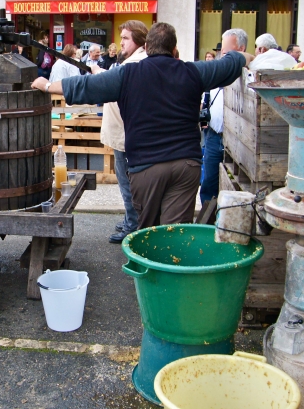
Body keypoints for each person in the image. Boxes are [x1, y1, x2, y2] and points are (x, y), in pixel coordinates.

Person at [31, 23, 253, 227]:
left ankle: (151, 268)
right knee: (175, 233)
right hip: (186, 165)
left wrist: (47, 84)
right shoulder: (193, 71)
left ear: (146, 47)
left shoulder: (127, 74)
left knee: (147, 233)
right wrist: (248, 56)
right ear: (174, 49)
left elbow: (86, 85)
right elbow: (230, 63)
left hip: (147, 168)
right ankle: (172, 269)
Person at [96, 20, 148, 243]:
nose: (121, 42)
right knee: (128, 181)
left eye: (126, 38)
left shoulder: (135, 62)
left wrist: (98, 73)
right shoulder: (134, 60)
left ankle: (132, 225)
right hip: (124, 134)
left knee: (128, 183)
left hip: (125, 136)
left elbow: (109, 85)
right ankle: (131, 217)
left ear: (138, 39)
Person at [199, 29, 247, 206]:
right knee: (209, 182)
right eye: (221, 53)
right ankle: (207, 222)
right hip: (213, 135)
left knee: (234, 186)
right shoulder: (218, 71)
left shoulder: (248, 75)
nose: (222, 59)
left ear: (241, 50)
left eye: (227, 54)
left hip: (238, 140)